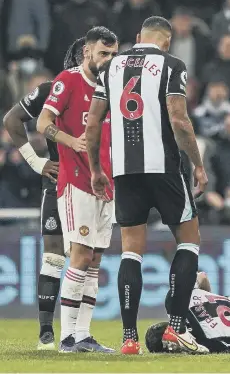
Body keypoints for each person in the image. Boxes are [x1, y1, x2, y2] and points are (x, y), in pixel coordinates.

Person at [85, 16, 209, 355]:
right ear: (166, 42)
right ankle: (176, 328)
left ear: (138, 37)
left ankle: (128, 338)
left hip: (125, 170)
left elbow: (93, 121)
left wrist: (97, 168)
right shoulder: (171, 64)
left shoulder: (110, 67)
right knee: (189, 241)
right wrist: (198, 163)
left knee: (130, 250)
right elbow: (178, 117)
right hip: (165, 166)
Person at [36, 27, 119, 353]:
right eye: (103, 54)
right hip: (75, 182)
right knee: (81, 254)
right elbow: (43, 122)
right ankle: (67, 337)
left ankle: (83, 334)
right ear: (87, 52)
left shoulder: (114, 87)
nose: (109, 60)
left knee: (96, 259)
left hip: (105, 184)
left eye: (113, 55)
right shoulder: (67, 81)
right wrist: (71, 141)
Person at [3, 38, 85, 350]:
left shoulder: (107, 91)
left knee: (85, 259)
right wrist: (36, 161)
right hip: (58, 181)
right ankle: (46, 334)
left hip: (93, 185)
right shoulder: (56, 88)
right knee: (52, 257)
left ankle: (77, 333)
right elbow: (12, 119)